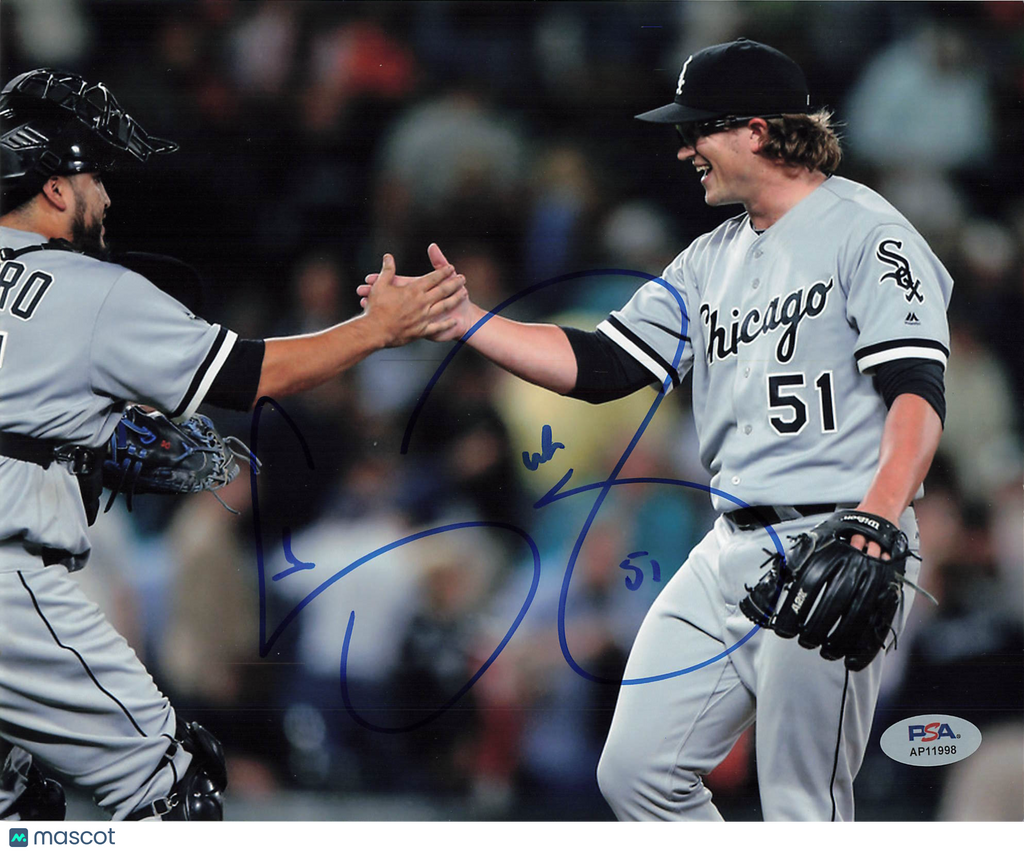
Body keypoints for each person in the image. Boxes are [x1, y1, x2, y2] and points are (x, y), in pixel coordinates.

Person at [361, 38, 951, 823]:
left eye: (699, 128)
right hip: (729, 544)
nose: (683, 148)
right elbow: (604, 364)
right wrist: (466, 320)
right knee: (638, 772)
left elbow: (917, 392)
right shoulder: (709, 259)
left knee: (801, 801)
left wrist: (877, 519)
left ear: (758, 130)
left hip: (836, 535)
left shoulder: (869, 232)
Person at [0, 68, 465, 822]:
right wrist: (378, 329)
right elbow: (252, 374)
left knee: (17, 817)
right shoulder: (90, 288)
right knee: (172, 790)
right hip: (10, 590)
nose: (106, 197)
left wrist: (74, 448)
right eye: (95, 178)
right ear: (55, 187)